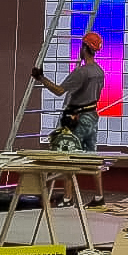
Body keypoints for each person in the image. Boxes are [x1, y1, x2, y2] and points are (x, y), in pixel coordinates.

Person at [32, 31, 106, 207]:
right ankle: (99, 197)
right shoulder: (99, 72)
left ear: (85, 48)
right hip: (92, 117)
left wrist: (40, 77)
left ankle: (67, 198)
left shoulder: (81, 72)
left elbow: (59, 91)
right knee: (92, 158)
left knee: (68, 155)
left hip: (77, 119)